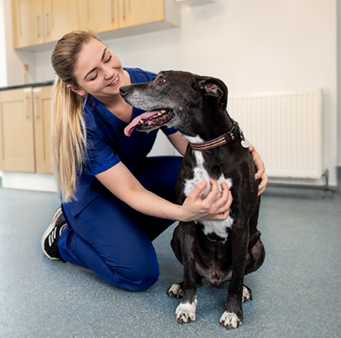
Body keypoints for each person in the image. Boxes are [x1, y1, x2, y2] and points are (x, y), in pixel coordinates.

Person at [42, 30, 268, 292]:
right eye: (93, 75)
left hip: (134, 173)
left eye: (107, 56)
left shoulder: (149, 84)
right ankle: (64, 238)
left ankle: (123, 234)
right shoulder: (84, 124)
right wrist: (184, 212)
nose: (110, 73)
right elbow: (129, 191)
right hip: (92, 195)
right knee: (139, 274)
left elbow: (194, 147)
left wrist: (244, 155)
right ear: (77, 88)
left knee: (192, 180)